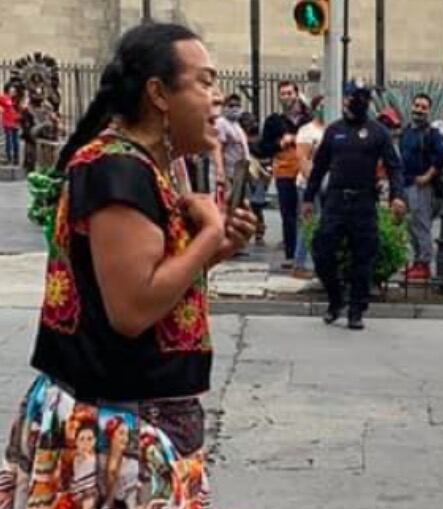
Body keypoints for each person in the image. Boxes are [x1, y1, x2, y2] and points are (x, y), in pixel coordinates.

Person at [0, 22, 257, 508]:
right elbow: (132, 309)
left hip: (144, 422)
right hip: (116, 431)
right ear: (159, 94)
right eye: (204, 81)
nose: (217, 97)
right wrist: (206, 237)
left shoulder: (150, 165)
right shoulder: (117, 167)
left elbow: (149, 283)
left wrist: (216, 248)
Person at [302, 81, 407, 330]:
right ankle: (335, 299)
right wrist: (308, 198)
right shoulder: (334, 131)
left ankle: (356, 310)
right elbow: (319, 168)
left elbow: (394, 167)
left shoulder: (378, 132)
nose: (353, 102)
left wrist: (398, 196)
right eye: (351, 98)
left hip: (364, 202)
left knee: (364, 258)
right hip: (336, 201)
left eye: (359, 99)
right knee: (322, 251)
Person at [260, 81, 310, 268]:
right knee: (288, 213)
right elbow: (263, 148)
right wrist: (279, 144)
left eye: (289, 93)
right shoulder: (274, 121)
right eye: (283, 94)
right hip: (284, 172)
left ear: (297, 94)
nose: (286, 97)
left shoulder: (308, 120)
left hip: (305, 171)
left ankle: (305, 253)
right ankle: (291, 254)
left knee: (306, 212)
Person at [400, 93, 443, 282]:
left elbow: (442, 155)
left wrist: (428, 176)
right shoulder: (406, 132)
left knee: (421, 225)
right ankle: (416, 261)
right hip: (406, 183)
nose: (419, 110)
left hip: (422, 186)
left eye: (423, 107)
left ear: (429, 111)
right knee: (410, 225)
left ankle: (424, 263)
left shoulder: (432, 134)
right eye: (417, 105)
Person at [293, 95, 326, 279]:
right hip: (308, 185)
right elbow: (302, 159)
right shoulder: (306, 131)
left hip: (328, 184)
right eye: (320, 105)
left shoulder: (333, 128)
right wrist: (311, 183)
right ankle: (299, 264)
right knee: (308, 223)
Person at [240, 111, 270, 245]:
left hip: (258, 174)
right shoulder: (242, 137)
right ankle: (254, 231)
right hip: (247, 172)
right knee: (252, 204)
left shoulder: (259, 139)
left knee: (256, 204)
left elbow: (266, 156)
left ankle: (258, 231)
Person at [215, 93, 249, 191]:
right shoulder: (221, 123)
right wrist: (220, 171)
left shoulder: (236, 125)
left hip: (239, 173)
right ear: (224, 107)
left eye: (238, 105)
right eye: (231, 105)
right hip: (228, 172)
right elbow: (219, 147)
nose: (235, 108)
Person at [1, 83, 23, 166]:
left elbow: (20, 109)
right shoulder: (4, 97)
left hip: (15, 122)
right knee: (8, 140)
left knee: (15, 141)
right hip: (7, 122)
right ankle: (9, 157)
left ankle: (16, 158)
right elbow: (7, 104)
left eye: (14, 90)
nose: (13, 91)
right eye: (11, 89)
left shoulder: (17, 99)